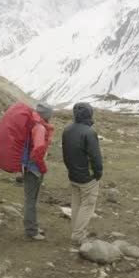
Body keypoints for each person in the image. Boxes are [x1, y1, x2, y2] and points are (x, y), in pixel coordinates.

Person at [62, 102, 103, 245]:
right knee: (88, 204)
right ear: (89, 114)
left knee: (77, 203)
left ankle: (76, 230)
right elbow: (95, 157)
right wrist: (98, 173)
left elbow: (65, 154)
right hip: (87, 177)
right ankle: (78, 235)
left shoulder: (67, 130)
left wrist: (71, 170)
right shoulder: (89, 132)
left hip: (73, 174)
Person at [22, 103, 54, 241]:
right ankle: (31, 231)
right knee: (31, 201)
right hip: (33, 169)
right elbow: (38, 150)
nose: (51, 117)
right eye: (50, 114)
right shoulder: (40, 128)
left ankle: (32, 226)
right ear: (46, 115)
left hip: (28, 167)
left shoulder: (34, 125)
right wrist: (42, 168)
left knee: (32, 199)